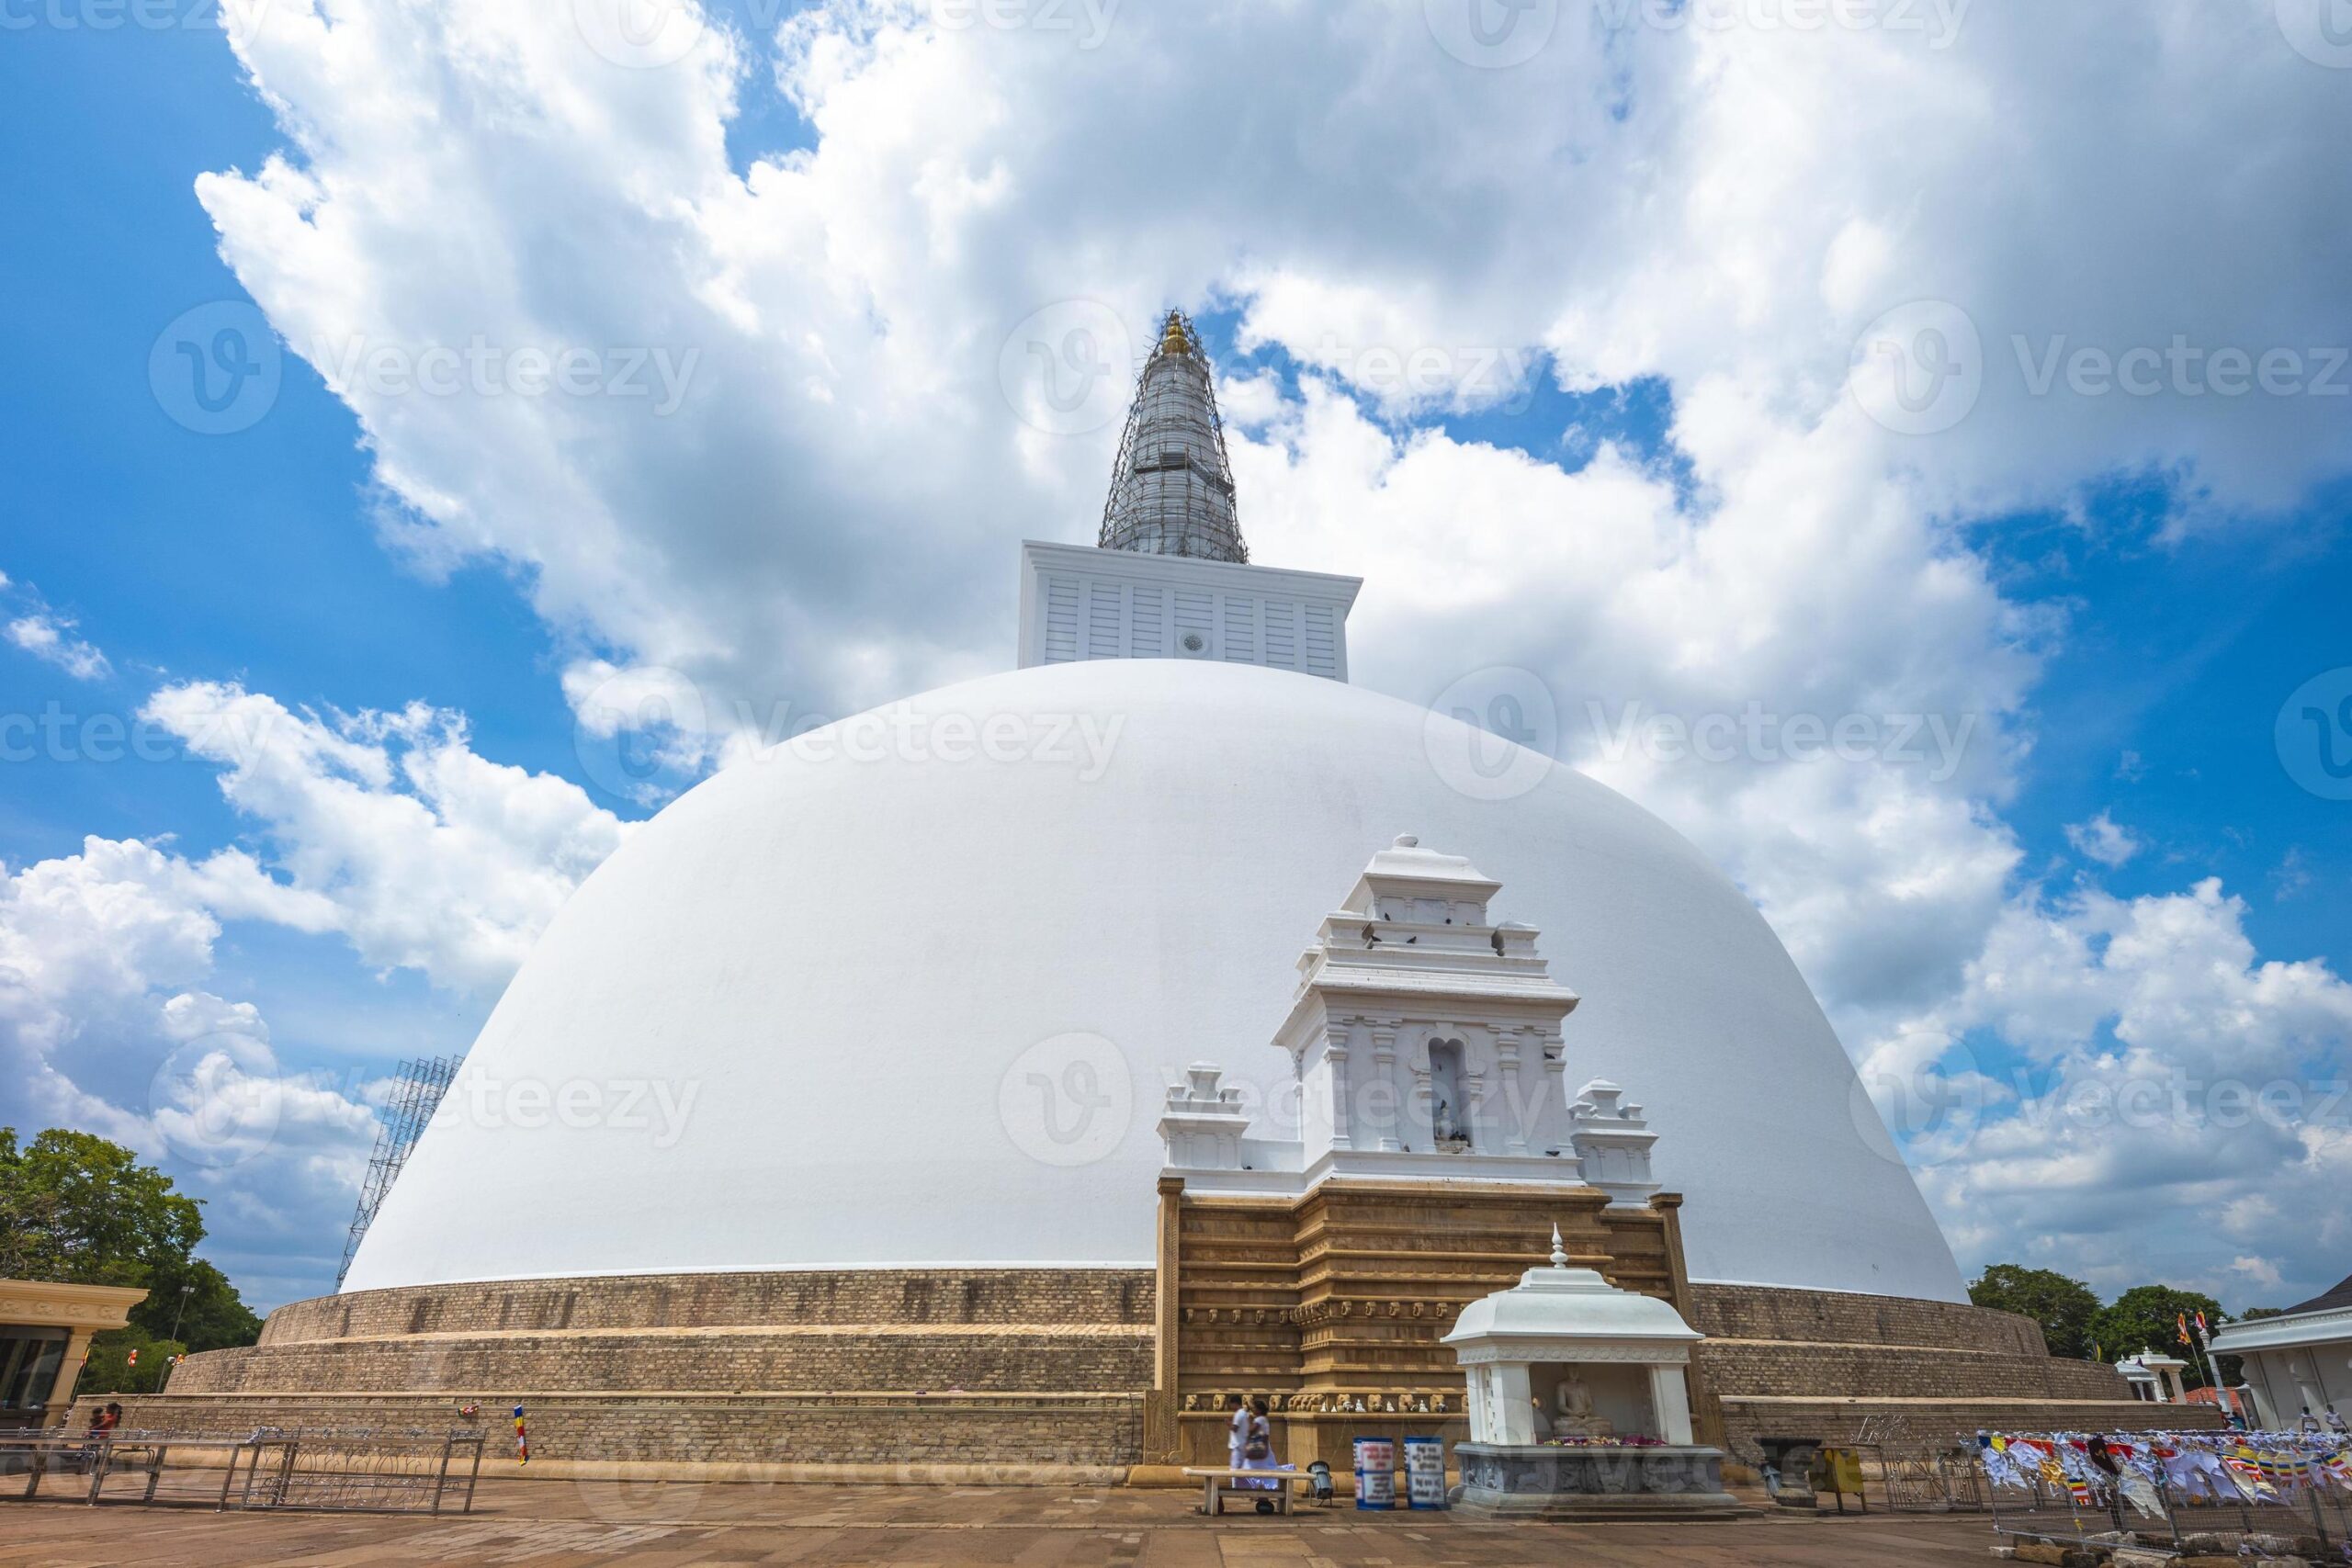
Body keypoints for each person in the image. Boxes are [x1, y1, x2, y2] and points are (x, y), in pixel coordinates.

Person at [1242, 1396, 1281, 1512]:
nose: (1252, 1409)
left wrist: (1247, 1419)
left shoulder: (1260, 1420)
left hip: (1258, 1448)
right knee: (1261, 1473)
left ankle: (1262, 1496)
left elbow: (1250, 1430)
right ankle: (1262, 1497)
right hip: (1262, 1448)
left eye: (1254, 1408)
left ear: (1259, 1410)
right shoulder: (1262, 1419)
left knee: (1255, 1472)